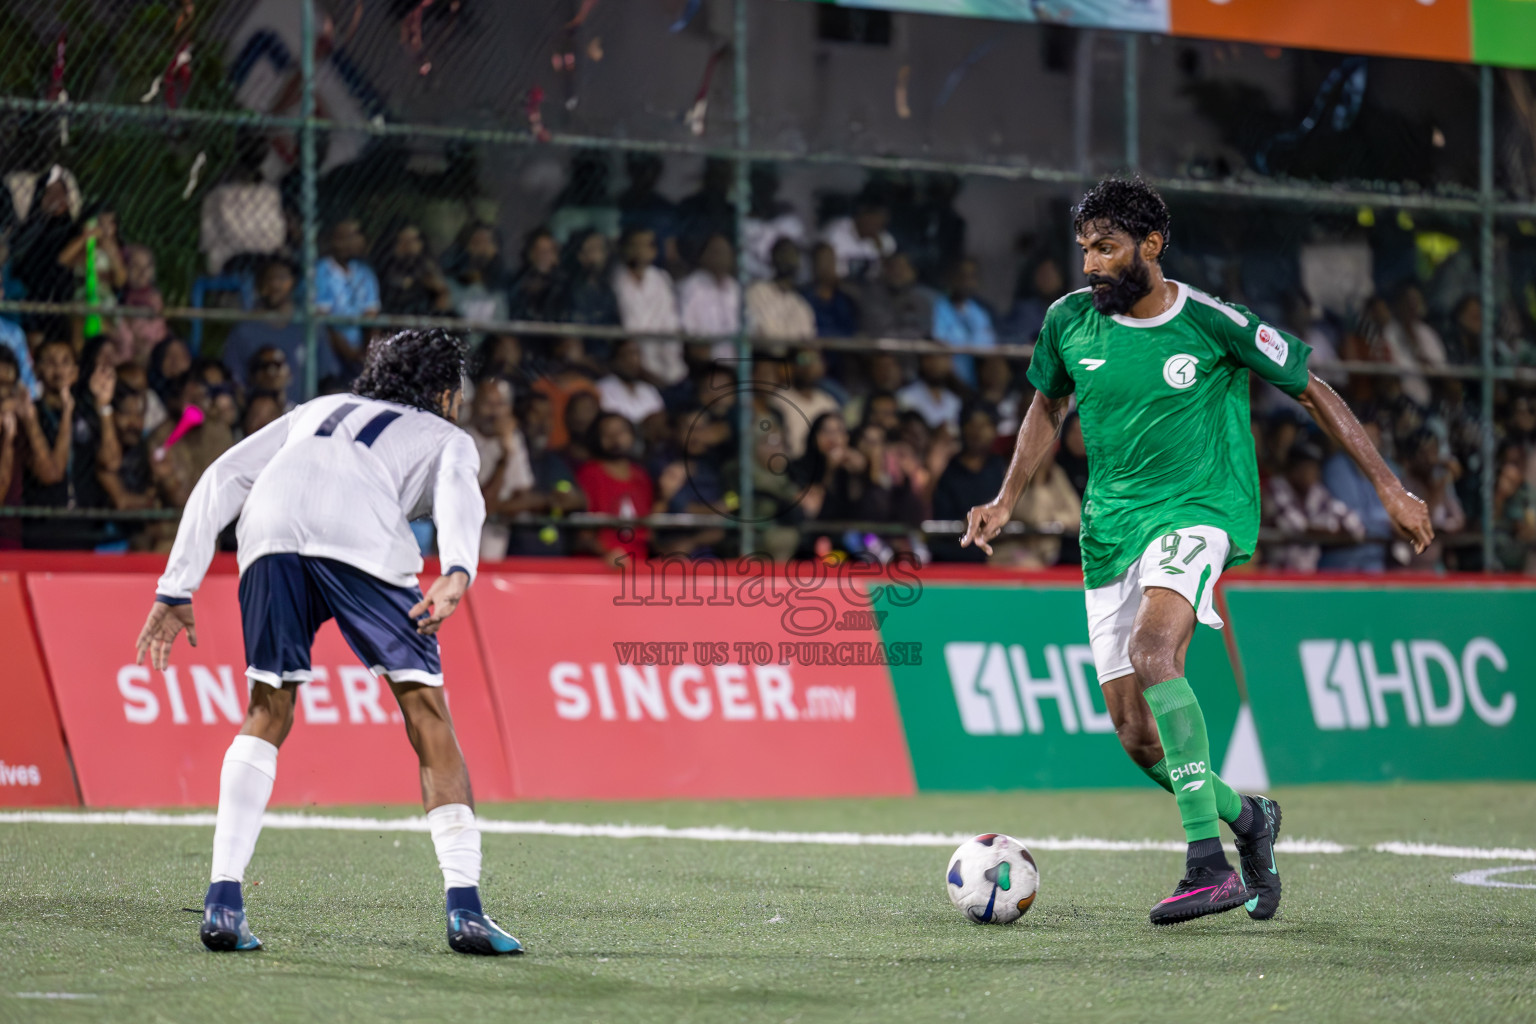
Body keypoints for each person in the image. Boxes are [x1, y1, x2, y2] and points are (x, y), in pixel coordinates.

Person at [961, 178, 1433, 926]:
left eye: (1107, 248)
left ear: (1152, 246)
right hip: (1109, 530)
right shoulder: (1068, 322)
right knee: (1134, 736)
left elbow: (1314, 391)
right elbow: (1047, 405)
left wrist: (1391, 489)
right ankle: (1249, 819)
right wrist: (1005, 499)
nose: (1091, 264)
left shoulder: (1214, 321)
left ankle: (1204, 865)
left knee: (1156, 655)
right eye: (1085, 248)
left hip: (1200, 511)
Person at [132, 328, 522, 957]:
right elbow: (458, 494)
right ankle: (466, 910)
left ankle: (223, 901)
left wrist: (177, 585)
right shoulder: (448, 435)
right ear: (446, 392)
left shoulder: (313, 409)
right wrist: (456, 570)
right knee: (426, 715)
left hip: (269, 532)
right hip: (360, 535)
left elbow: (223, 474)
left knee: (267, 708)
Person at [223, 258, 336, 405]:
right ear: (259, 283)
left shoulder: (310, 328)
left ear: (294, 282)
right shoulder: (244, 331)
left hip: (303, 414)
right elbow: (235, 382)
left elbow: (328, 376)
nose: (275, 284)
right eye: (269, 278)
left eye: (282, 278)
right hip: (262, 416)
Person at [1265, 440, 1366, 573]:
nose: (1312, 473)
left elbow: (1355, 526)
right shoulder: (1276, 489)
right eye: (1306, 467)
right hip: (1276, 574)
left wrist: (1325, 529)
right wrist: (1329, 529)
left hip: (1308, 575)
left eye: (1314, 468)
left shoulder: (1316, 492)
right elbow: (1297, 526)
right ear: (1293, 469)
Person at [931, 403, 1008, 562]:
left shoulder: (1002, 468)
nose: (977, 432)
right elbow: (936, 517)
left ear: (994, 430)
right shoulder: (948, 469)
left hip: (996, 549)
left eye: (984, 425)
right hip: (953, 550)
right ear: (963, 428)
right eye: (972, 424)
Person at [574, 412, 653, 566]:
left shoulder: (641, 476)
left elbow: (648, 527)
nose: (615, 438)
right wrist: (606, 552)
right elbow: (582, 531)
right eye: (607, 433)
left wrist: (666, 495)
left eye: (621, 431)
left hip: (640, 565)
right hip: (601, 566)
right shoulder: (590, 473)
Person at [612, 227, 684, 385]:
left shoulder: (661, 279)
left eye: (646, 245)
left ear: (654, 251)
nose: (639, 250)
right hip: (632, 362)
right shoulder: (614, 281)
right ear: (624, 248)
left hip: (666, 360)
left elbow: (670, 323)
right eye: (634, 245)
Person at [315, 219, 382, 377]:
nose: (351, 242)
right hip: (330, 350)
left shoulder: (365, 273)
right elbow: (325, 324)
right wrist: (352, 356)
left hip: (361, 351)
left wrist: (368, 355)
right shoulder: (320, 271)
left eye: (355, 236)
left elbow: (371, 319)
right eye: (343, 237)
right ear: (332, 241)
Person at [931, 257, 997, 386]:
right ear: (950, 278)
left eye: (971, 276)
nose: (965, 281)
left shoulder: (979, 312)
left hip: (976, 378)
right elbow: (939, 341)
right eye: (961, 275)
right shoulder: (937, 307)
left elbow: (987, 345)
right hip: (946, 380)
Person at [676, 233, 740, 359]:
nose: (722, 257)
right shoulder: (691, 287)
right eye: (716, 251)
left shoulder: (735, 288)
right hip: (704, 363)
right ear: (703, 256)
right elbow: (689, 332)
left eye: (726, 252)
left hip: (736, 363)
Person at [746, 239, 816, 345]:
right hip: (764, 355)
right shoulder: (757, 292)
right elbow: (759, 336)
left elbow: (807, 345)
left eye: (792, 254)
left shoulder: (801, 305)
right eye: (783, 253)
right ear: (772, 259)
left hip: (794, 358)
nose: (787, 258)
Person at [819, 189, 895, 283]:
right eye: (873, 219)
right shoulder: (836, 229)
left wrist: (879, 247)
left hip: (871, 288)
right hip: (837, 284)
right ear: (862, 213)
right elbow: (825, 267)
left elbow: (890, 272)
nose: (875, 225)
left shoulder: (886, 240)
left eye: (881, 223)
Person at [376, 223, 452, 316]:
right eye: (405, 241)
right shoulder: (386, 266)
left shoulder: (427, 263)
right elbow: (399, 283)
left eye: (414, 240)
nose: (410, 245)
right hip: (392, 317)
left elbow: (441, 290)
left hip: (422, 320)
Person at [860, 253, 933, 341]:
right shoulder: (873, 295)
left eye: (903, 268)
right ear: (885, 270)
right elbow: (880, 333)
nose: (898, 272)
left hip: (913, 350)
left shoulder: (921, 299)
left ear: (913, 272)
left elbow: (924, 333)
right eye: (893, 267)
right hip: (880, 350)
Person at [595, 338, 666, 428]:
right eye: (627, 355)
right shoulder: (602, 388)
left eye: (636, 354)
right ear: (615, 359)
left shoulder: (648, 389)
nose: (632, 360)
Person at [505, 227, 564, 323]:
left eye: (548, 252)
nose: (544, 257)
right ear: (530, 254)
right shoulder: (517, 284)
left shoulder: (564, 285)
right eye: (540, 251)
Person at [802, 242, 860, 338]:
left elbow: (851, 330)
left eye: (831, 260)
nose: (828, 266)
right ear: (813, 264)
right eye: (823, 260)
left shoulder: (844, 298)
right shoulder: (804, 298)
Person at [897, 352, 963, 437]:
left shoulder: (954, 401)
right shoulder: (906, 396)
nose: (937, 364)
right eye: (932, 358)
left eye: (943, 359)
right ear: (923, 361)